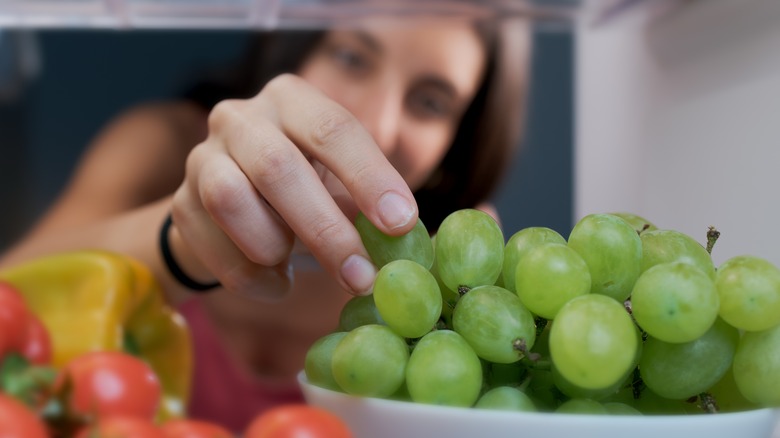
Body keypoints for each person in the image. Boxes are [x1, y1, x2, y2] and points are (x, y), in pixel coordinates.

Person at [0, 13, 531, 432]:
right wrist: (183, 240)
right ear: (292, 49)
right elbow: (11, 307)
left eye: (431, 102)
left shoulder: (450, 282)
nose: (377, 122)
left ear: (457, 145)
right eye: (351, 57)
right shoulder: (158, 145)